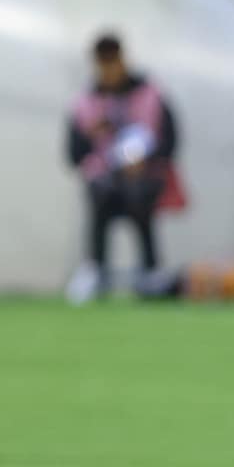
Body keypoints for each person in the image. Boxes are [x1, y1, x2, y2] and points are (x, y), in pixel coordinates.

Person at [64, 33, 184, 302]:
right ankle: (96, 268)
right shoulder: (85, 102)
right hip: (104, 179)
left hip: (145, 177)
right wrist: (91, 135)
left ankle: (150, 270)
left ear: (123, 59)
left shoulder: (151, 94)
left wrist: (147, 159)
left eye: (113, 61)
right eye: (103, 62)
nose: (109, 69)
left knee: (139, 198)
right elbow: (73, 154)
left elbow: (170, 140)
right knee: (100, 195)